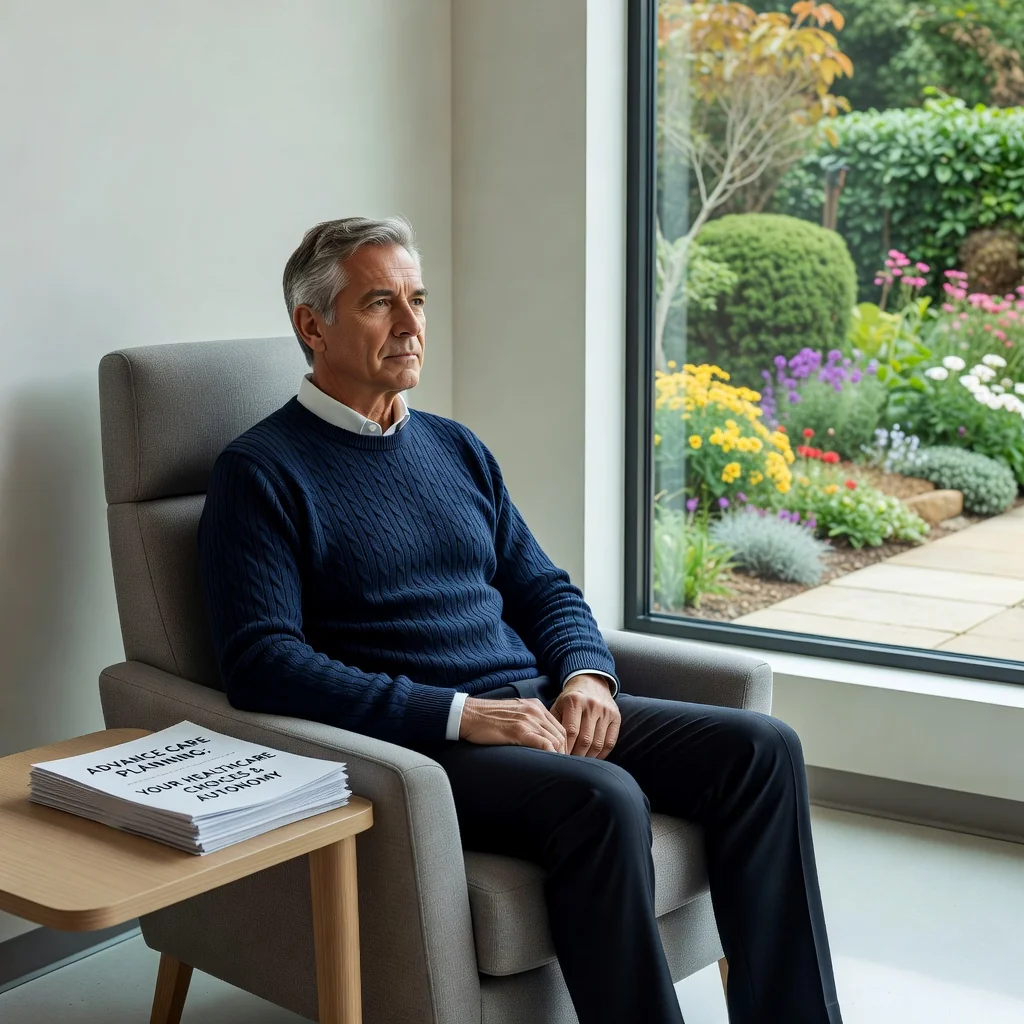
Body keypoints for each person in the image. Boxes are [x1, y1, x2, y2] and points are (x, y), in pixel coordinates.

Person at [198, 216, 844, 1024]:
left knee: (763, 749)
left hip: (537, 704)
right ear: (312, 326)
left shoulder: (455, 447)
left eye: (417, 300)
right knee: (602, 798)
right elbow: (262, 662)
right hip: (427, 748)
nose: (410, 325)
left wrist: (586, 676)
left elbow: (544, 587)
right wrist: (465, 716)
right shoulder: (257, 473)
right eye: (379, 303)